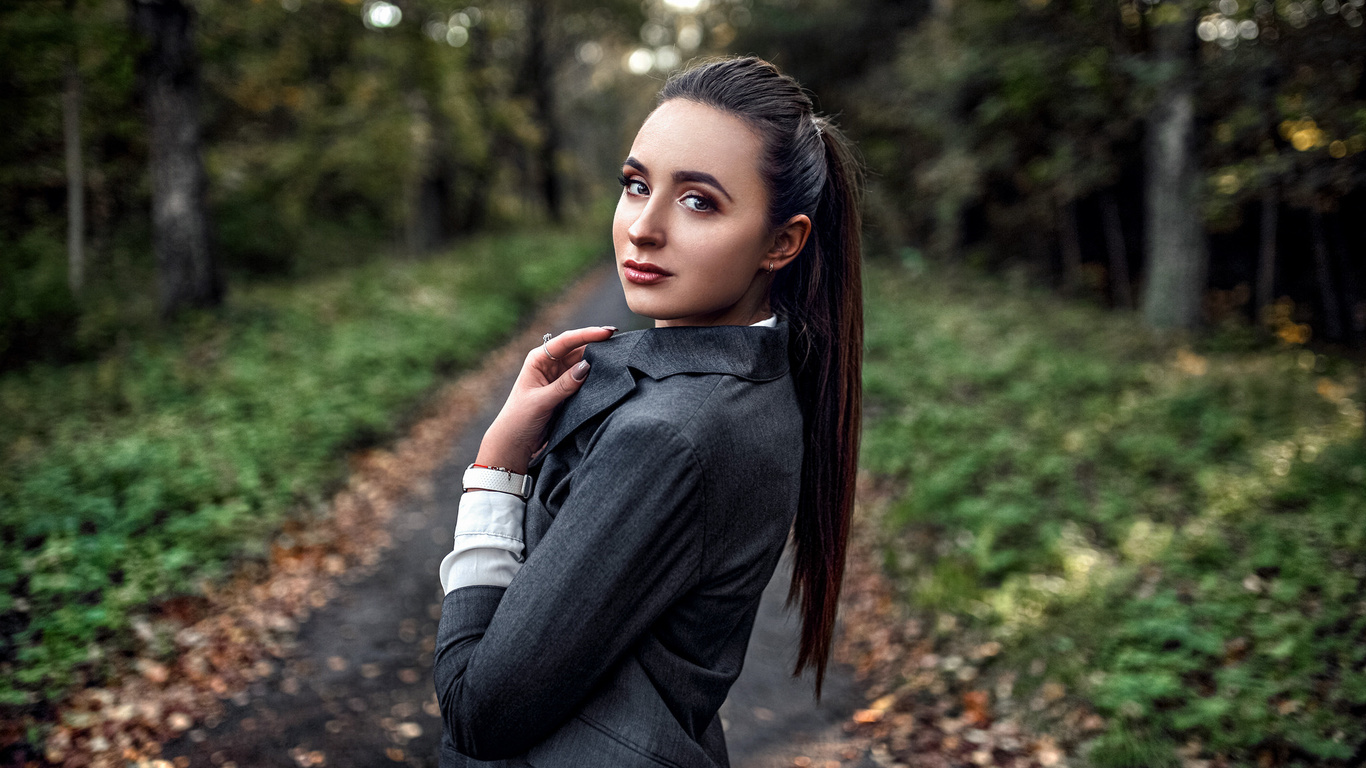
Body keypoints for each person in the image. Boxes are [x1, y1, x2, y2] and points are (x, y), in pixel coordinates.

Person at [432, 55, 864, 767]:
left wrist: (496, 468)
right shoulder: (767, 382)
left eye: (699, 201)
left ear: (782, 243)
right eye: (636, 186)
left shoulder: (668, 437)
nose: (643, 227)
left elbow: (479, 712)